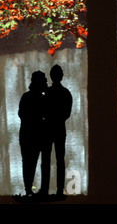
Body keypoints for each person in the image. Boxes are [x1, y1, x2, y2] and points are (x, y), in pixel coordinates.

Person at [39, 64, 72, 197]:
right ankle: (59, 190)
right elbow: (67, 114)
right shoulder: (66, 93)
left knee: (46, 159)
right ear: (61, 76)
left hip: (47, 128)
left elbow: (41, 110)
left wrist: (47, 118)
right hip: (60, 129)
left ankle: (44, 189)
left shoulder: (46, 92)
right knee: (60, 159)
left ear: (52, 76)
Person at [18, 71, 48, 197]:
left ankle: (28, 188)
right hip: (35, 133)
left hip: (26, 132)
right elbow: (46, 114)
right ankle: (29, 188)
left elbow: (21, 114)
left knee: (27, 161)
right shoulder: (42, 99)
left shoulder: (26, 96)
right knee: (32, 161)